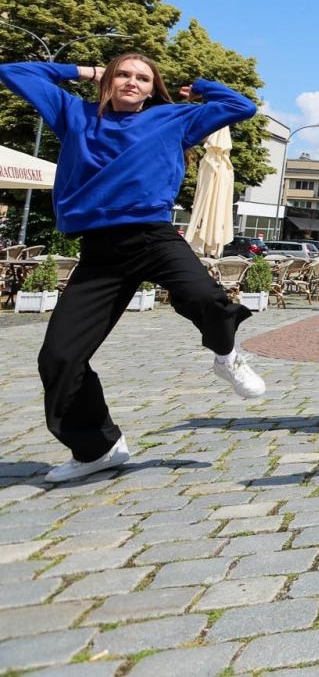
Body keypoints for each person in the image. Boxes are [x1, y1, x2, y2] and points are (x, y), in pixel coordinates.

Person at [0, 55, 264, 483]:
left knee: (205, 298)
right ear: (109, 80)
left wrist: (199, 85)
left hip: (152, 237)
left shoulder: (171, 119)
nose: (131, 82)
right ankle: (98, 448)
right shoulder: (73, 113)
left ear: (151, 88)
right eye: (123, 73)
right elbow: (13, 73)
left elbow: (241, 107)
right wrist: (85, 71)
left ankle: (227, 357)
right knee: (59, 358)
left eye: (143, 78)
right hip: (100, 253)